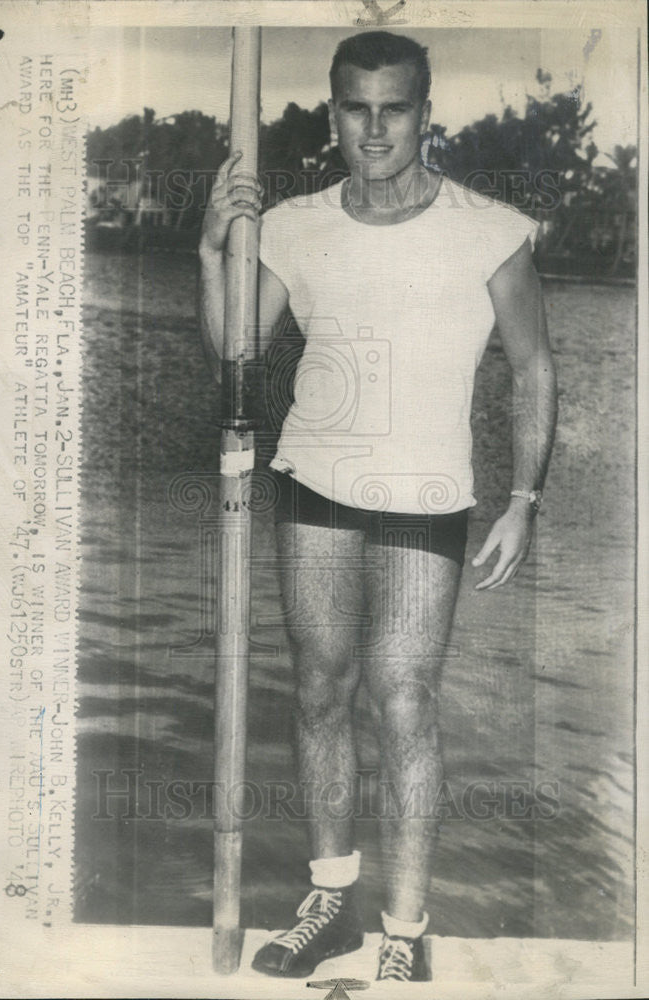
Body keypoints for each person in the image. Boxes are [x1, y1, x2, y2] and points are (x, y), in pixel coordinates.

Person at [199, 30, 557, 983]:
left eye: (392, 108)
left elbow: (532, 370)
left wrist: (523, 498)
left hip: (425, 497)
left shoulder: (490, 229)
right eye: (354, 108)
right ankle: (331, 905)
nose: (373, 128)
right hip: (313, 481)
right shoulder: (294, 222)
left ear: (423, 114)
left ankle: (404, 936)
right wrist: (210, 246)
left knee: (403, 704)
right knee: (318, 692)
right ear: (332, 115)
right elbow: (236, 351)